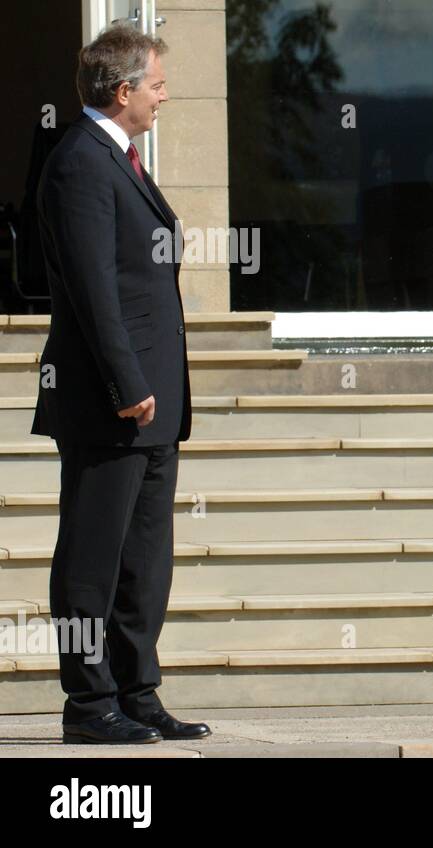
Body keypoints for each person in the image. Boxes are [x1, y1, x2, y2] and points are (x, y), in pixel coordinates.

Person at [33, 24, 209, 743]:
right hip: (113, 402)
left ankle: (138, 691)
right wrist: (125, 383)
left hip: (155, 404)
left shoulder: (121, 159)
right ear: (124, 88)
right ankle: (88, 703)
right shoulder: (81, 161)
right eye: (158, 85)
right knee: (91, 560)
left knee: (144, 562)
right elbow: (91, 290)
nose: (165, 96)